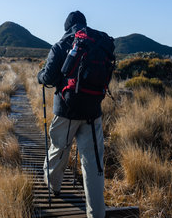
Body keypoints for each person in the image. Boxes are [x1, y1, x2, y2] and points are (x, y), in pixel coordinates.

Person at [37, 11, 106, 218]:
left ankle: (54, 186)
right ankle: (97, 214)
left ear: (67, 26)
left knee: (58, 149)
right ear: (84, 24)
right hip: (93, 113)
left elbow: (48, 78)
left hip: (66, 111)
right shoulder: (99, 43)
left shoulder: (61, 45)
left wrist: (40, 75)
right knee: (93, 164)